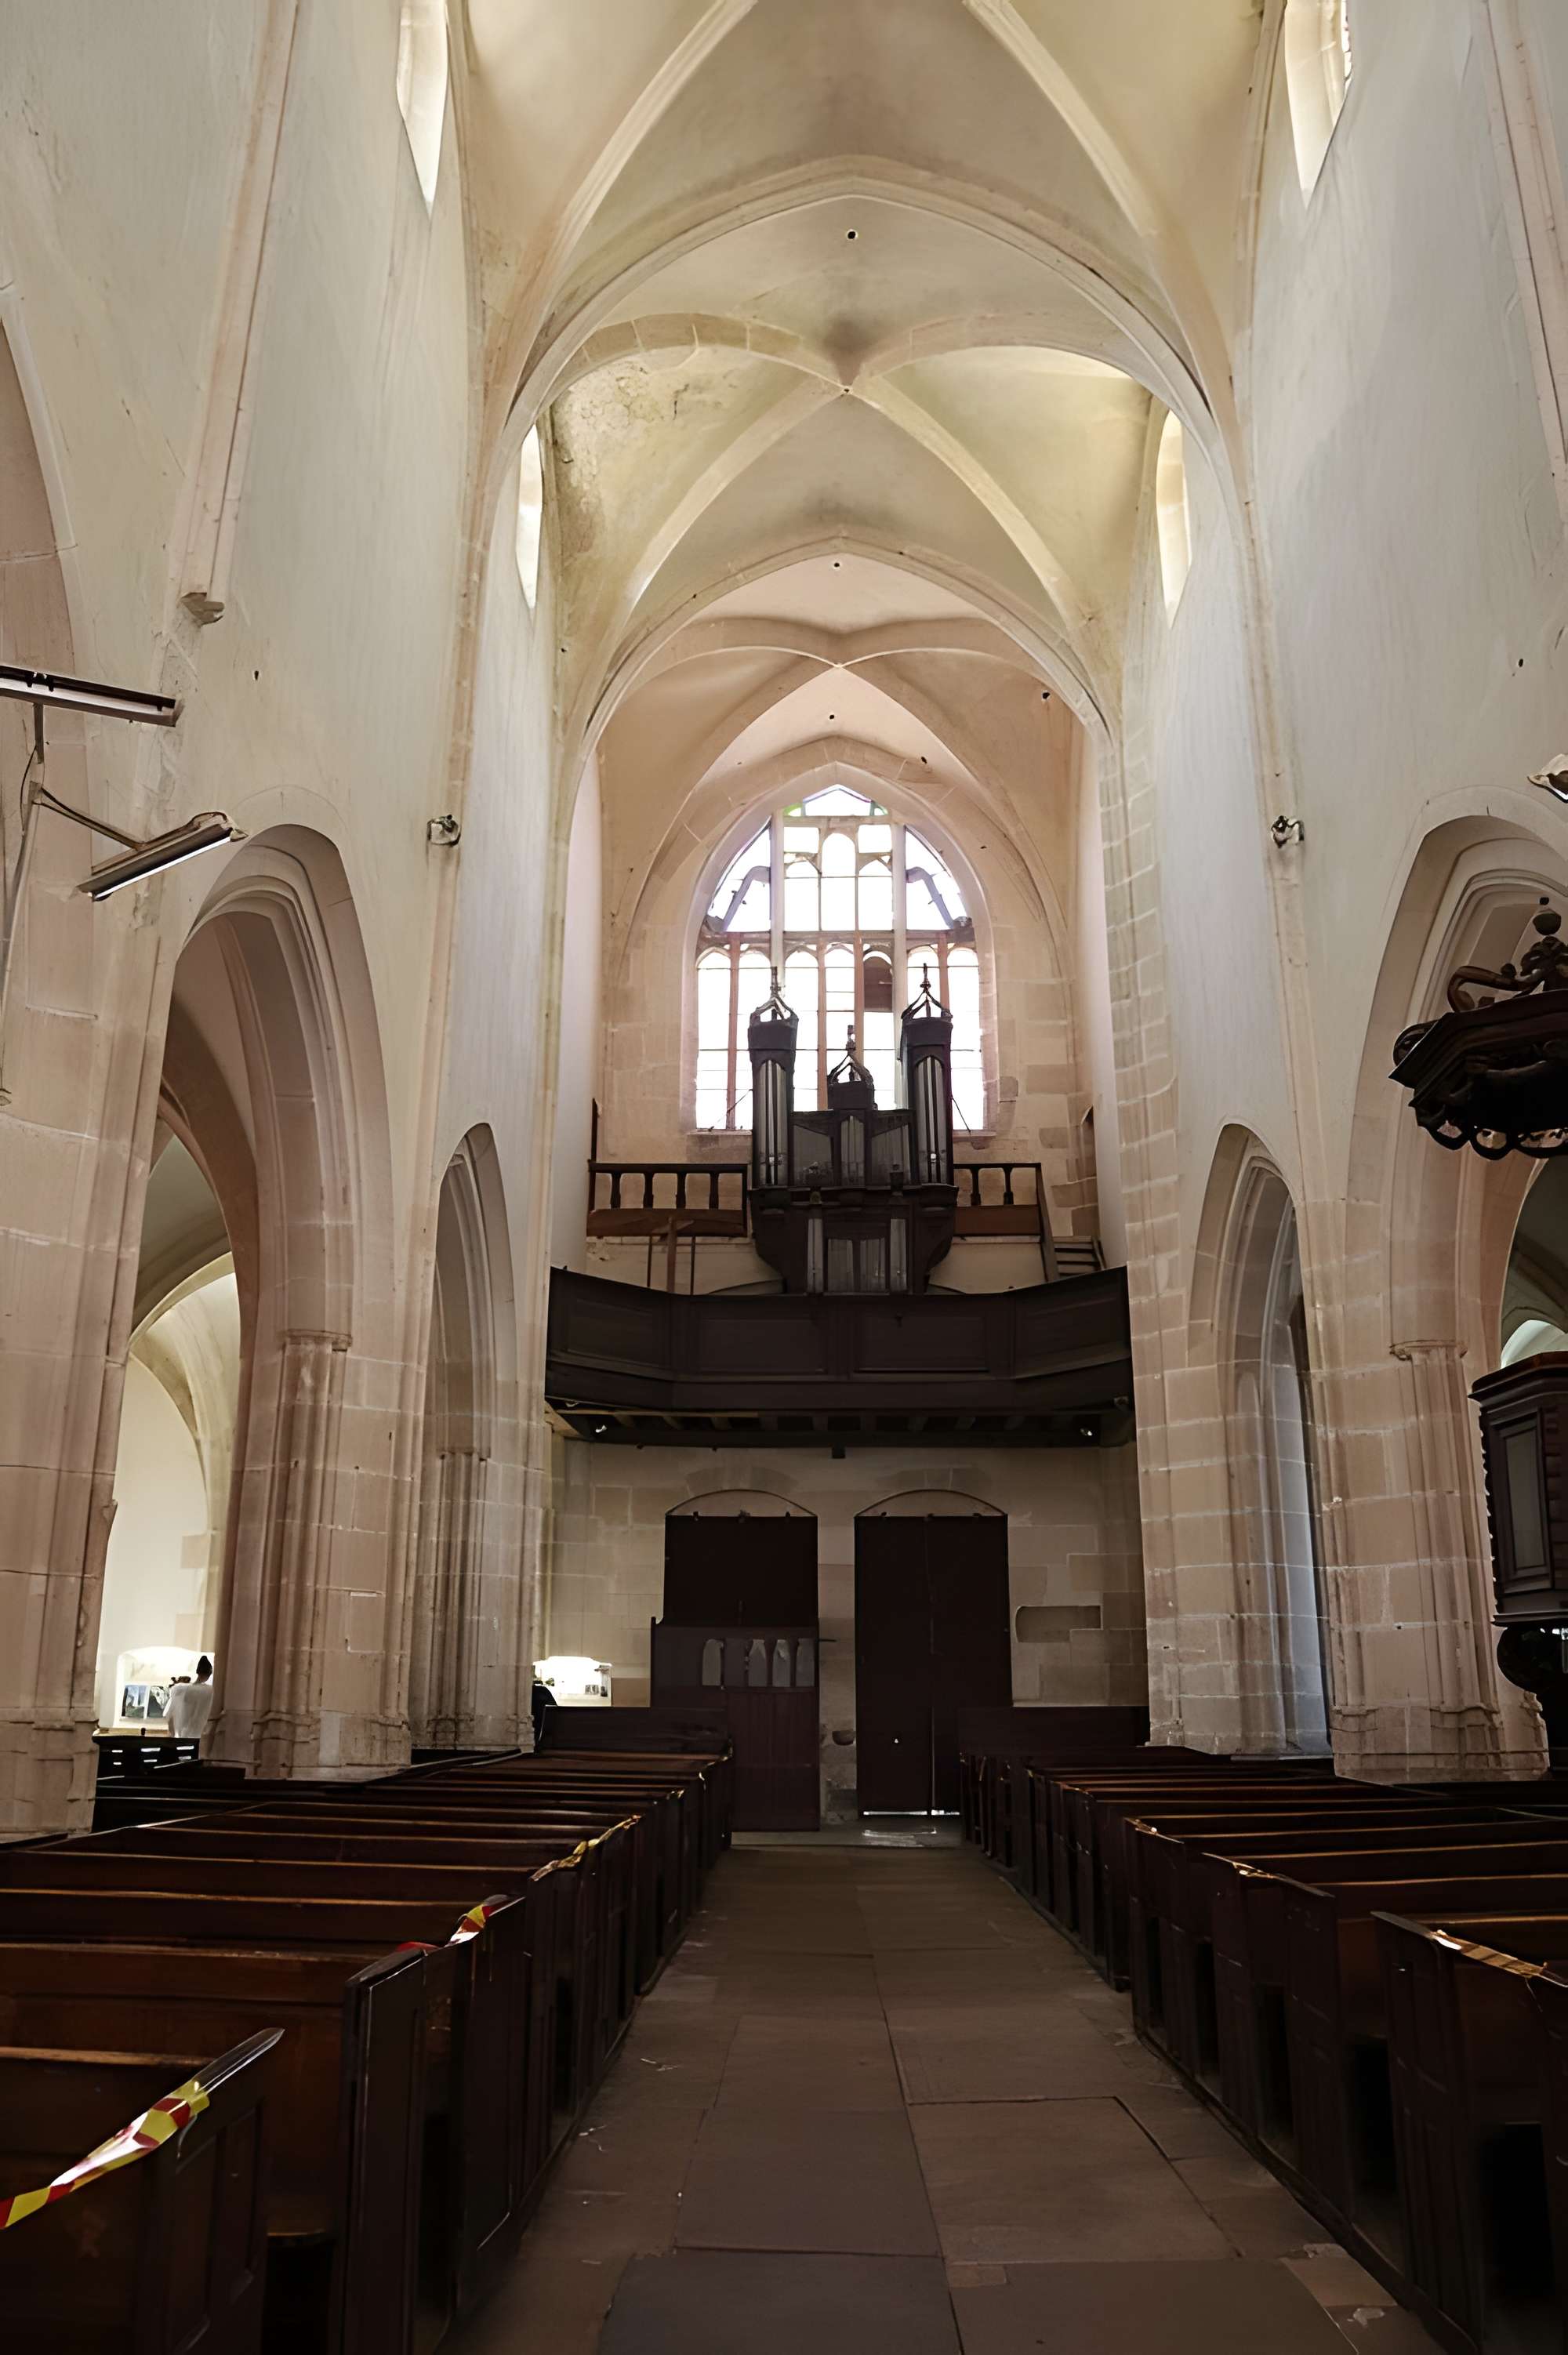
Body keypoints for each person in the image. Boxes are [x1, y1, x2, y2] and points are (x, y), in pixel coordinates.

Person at [168, 1656, 215, 1746]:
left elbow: (172, 1717)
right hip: (201, 1736)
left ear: (197, 1672)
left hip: (185, 1735)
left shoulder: (182, 1690)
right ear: (209, 1674)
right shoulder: (210, 1691)